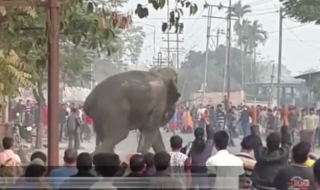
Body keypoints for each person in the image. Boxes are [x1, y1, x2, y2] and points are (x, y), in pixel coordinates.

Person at [250, 120, 291, 187]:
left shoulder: (260, 154)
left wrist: (254, 118)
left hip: (260, 185)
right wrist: (285, 118)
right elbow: (287, 142)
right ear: (279, 144)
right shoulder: (283, 155)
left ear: (266, 143)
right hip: (277, 185)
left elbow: (256, 139)